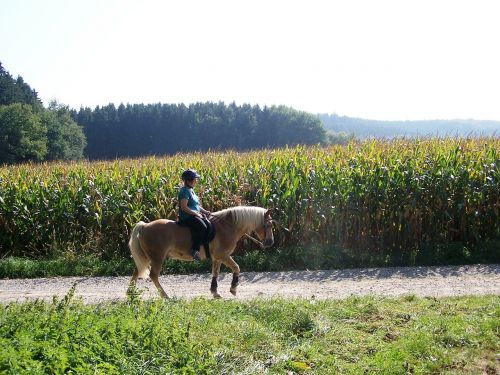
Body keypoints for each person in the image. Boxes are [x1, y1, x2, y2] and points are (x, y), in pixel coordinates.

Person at [178, 169, 211, 261]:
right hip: (187, 217)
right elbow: (184, 207)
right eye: (194, 179)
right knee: (203, 227)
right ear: (188, 180)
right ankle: (194, 250)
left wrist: (205, 211)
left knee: (208, 224)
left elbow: (196, 206)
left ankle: (207, 250)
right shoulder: (184, 191)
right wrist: (196, 213)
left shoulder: (191, 190)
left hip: (193, 215)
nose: (196, 181)